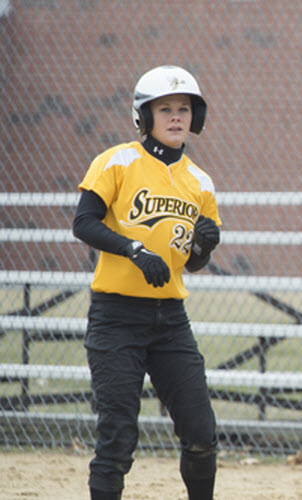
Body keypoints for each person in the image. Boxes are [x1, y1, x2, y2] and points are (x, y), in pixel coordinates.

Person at [72, 65, 221, 500]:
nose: (177, 117)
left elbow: (191, 265)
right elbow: (84, 223)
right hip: (116, 317)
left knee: (201, 433)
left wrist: (204, 248)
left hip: (170, 321)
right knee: (117, 437)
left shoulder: (200, 182)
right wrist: (134, 250)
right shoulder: (118, 161)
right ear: (144, 117)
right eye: (165, 109)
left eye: (184, 109)